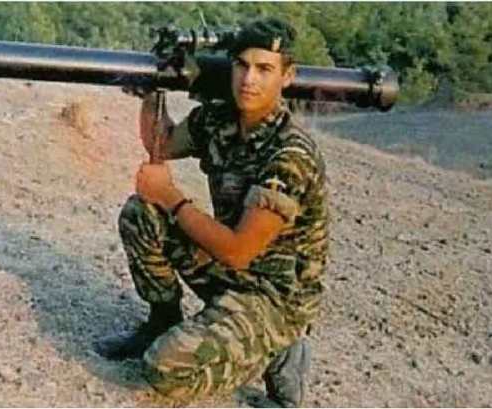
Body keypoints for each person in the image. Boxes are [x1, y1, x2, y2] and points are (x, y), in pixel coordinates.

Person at [95, 17, 329, 407]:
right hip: (233, 270)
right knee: (142, 214)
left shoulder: (290, 155)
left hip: (275, 296)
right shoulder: (220, 119)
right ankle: (162, 321)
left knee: (165, 369)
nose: (249, 79)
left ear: (287, 76)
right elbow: (163, 143)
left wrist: (171, 197)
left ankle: (279, 348)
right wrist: (153, 90)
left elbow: (238, 251)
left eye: (264, 69)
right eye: (242, 65)